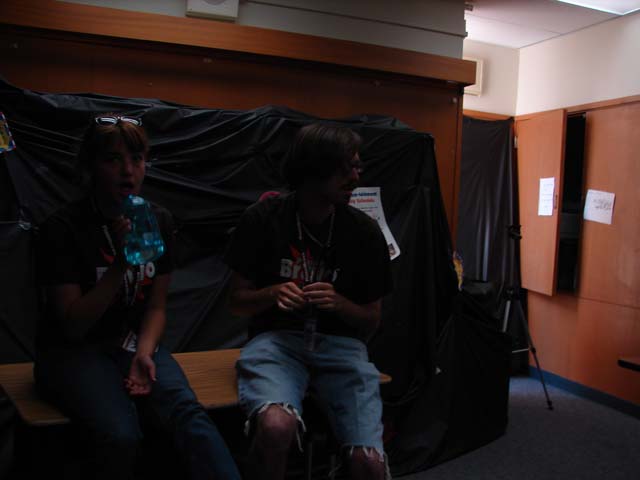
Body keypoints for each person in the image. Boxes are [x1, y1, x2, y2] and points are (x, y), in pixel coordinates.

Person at [35, 114, 241, 480]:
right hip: (73, 351)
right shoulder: (63, 229)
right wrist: (120, 264)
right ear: (90, 167)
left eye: (137, 159)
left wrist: (145, 352)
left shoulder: (157, 220)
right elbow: (72, 326)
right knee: (121, 434)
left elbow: (157, 306)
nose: (127, 171)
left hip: (132, 342)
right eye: (113, 159)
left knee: (189, 416)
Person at [225, 123, 393, 480]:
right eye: (345, 168)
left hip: (342, 348)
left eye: (357, 167)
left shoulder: (364, 233)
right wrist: (272, 294)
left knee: (369, 463)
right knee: (276, 426)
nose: (355, 177)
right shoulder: (262, 219)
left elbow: (372, 320)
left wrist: (340, 304)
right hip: (276, 343)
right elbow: (236, 303)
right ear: (313, 169)